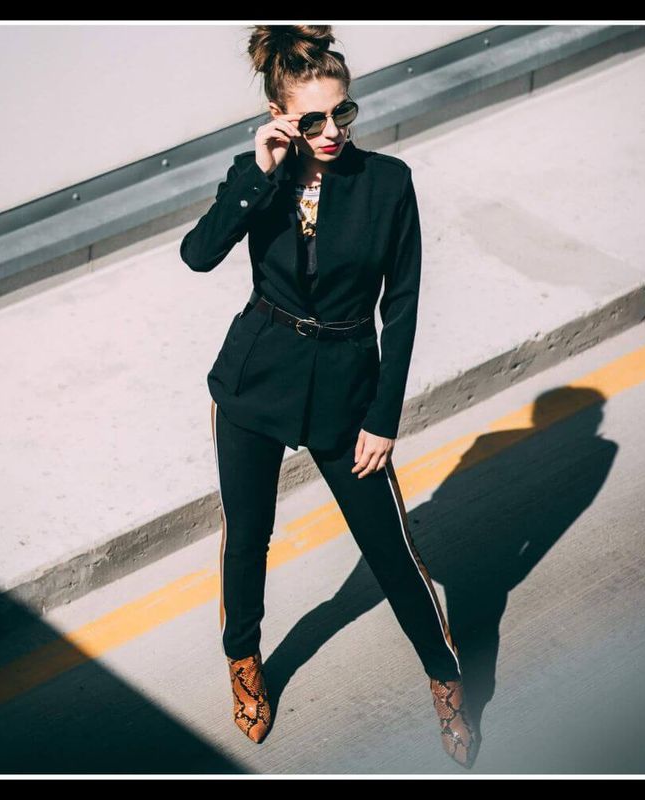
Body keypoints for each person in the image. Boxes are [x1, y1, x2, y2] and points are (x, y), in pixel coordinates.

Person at [180, 25, 479, 769]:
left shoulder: (387, 181)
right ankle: (244, 660)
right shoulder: (262, 178)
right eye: (311, 119)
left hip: (346, 389)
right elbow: (198, 254)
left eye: (341, 114)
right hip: (257, 374)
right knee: (247, 537)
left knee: (390, 549)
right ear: (281, 115)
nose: (331, 131)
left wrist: (383, 415)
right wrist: (259, 172)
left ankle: (445, 677)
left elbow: (401, 306)